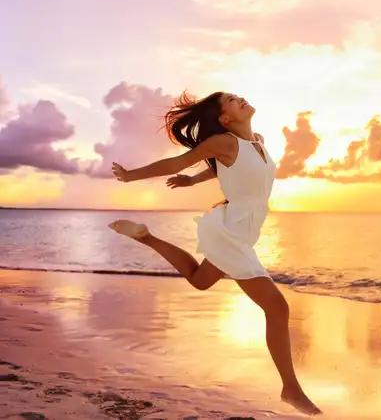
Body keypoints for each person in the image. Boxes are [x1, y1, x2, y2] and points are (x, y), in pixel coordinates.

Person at [107, 91, 322, 416]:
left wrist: (194, 181)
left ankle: (146, 237)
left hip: (244, 229)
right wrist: (130, 175)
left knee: (200, 279)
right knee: (277, 308)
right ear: (224, 119)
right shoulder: (222, 141)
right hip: (231, 231)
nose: (242, 100)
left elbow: (232, 170)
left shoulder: (257, 141)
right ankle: (290, 389)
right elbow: (176, 161)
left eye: (239, 96)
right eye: (234, 101)